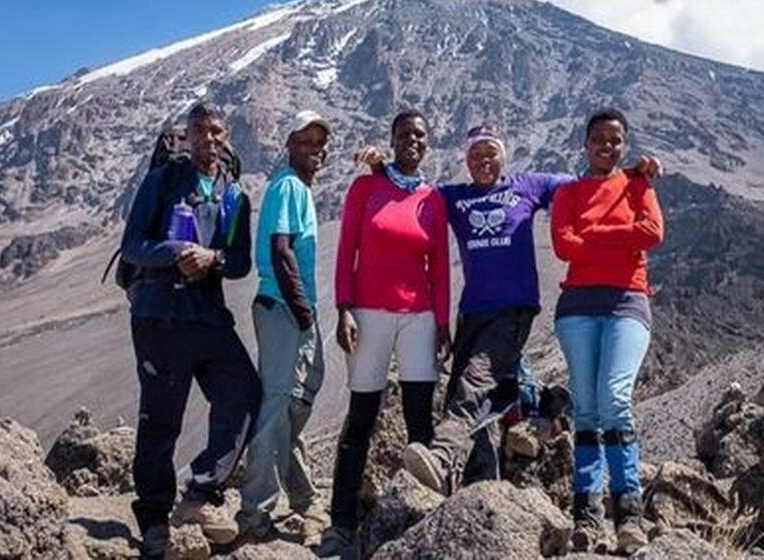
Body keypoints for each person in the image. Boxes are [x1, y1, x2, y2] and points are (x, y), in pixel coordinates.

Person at [356, 126, 660, 497]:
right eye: (475, 154)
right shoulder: (453, 197)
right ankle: (479, 485)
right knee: (467, 393)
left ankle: (441, 456)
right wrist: (379, 171)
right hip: (472, 311)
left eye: (491, 152)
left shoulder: (529, 186)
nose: (484, 160)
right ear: (466, 161)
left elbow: (591, 182)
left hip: (514, 307)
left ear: (504, 155)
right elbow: (410, 196)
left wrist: (633, 172)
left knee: (476, 382)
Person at [121, 102, 260, 557]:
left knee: (244, 390)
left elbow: (238, 261)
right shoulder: (163, 182)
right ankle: (155, 519)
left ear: (227, 136)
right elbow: (133, 245)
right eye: (199, 130)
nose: (209, 138)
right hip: (160, 317)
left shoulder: (235, 195)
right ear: (188, 135)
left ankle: (201, 493)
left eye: (216, 130)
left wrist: (212, 259)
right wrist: (177, 251)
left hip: (207, 315)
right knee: (161, 419)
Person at [319, 110, 450, 558]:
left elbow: (440, 270)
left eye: (420, 135)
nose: (413, 141)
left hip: (419, 317)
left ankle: (424, 516)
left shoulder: (433, 199)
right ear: (392, 140)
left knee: (419, 421)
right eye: (405, 134)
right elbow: (346, 252)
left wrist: (442, 323)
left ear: (427, 144)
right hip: (369, 313)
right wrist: (344, 309)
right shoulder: (366, 187)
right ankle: (340, 521)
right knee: (361, 417)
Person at [550, 108, 664, 554]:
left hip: (628, 303)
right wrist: (621, 234)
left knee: (615, 399)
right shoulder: (568, 193)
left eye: (615, 140)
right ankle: (586, 513)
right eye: (598, 138)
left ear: (625, 145)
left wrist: (592, 233)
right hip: (576, 306)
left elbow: (652, 232)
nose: (607, 146)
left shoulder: (639, 184)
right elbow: (563, 245)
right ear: (585, 143)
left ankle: (629, 513)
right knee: (587, 409)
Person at [237, 111, 332, 545]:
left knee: (292, 407)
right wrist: (303, 311)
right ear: (290, 143)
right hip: (284, 308)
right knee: (277, 406)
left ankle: (304, 499)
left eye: (320, 142)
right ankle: (255, 511)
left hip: (290, 308)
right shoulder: (289, 185)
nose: (315, 148)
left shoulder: (296, 187)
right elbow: (281, 250)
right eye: (306, 140)